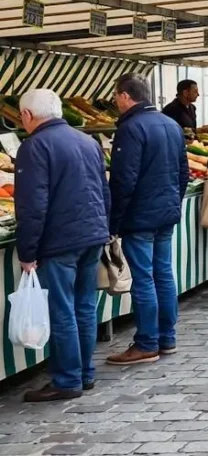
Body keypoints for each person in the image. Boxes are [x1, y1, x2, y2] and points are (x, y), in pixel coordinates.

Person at [13, 89, 110, 402]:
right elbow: (104, 190)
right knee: (83, 306)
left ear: (27, 116)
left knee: (63, 310)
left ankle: (67, 379)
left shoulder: (34, 147)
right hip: (92, 234)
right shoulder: (88, 141)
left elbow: (32, 205)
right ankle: (85, 373)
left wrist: (27, 252)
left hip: (60, 240)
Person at [104, 74, 188, 367]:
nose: (116, 101)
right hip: (164, 213)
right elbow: (183, 172)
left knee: (144, 279)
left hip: (140, 216)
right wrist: (173, 204)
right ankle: (167, 337)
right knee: (163, 274)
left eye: (116, 96)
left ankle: (146, 343)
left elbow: (123, 181)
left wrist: (113, 222)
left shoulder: (130, 128)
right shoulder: (171, 124)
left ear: (126, 96)